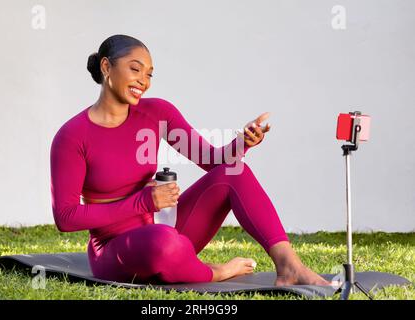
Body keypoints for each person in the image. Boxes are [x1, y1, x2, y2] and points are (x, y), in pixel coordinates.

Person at [50, 34, 333, 286]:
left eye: (149, 74)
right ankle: (214, 271)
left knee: (235, 171)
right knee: (163, 243)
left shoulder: (157, 112)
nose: (143, 82)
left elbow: (212, 160)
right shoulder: (72, 136)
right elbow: (66, 217)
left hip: (165, 230)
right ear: (106, 67)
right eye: (135, 69)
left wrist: (242, 143)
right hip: (115, 248)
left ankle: (288, 265)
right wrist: (143, 202)